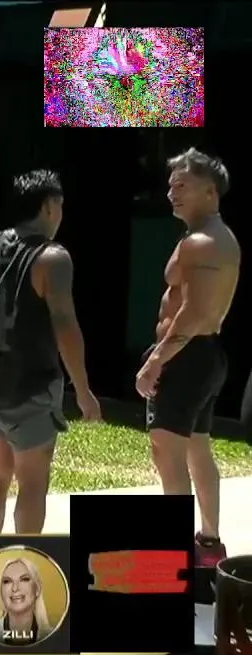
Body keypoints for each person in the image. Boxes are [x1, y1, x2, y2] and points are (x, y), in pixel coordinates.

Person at [0, 169, 100, 535]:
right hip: (31, 389)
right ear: (49, 206)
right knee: (33, 483)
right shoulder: (53, 258)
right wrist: (82, 390)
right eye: (60, 206)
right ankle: (26, 558)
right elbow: (66, 327)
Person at [134, 148, 240, 568]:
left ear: (210, 191)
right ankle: (208, 546)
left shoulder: (203, 242)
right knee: (197, 447)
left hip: (187, 356)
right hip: (202, 356)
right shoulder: (211, 237)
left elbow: (194, 314)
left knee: (167, 452)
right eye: (170, 185)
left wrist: (155, 361)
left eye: (182, 185)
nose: (171, 193)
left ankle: (174, 558)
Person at [0, 556, 55, 646]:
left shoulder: (54, 637)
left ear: (37, 589)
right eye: (7, 581)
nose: (15, 588)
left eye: (24, 579)